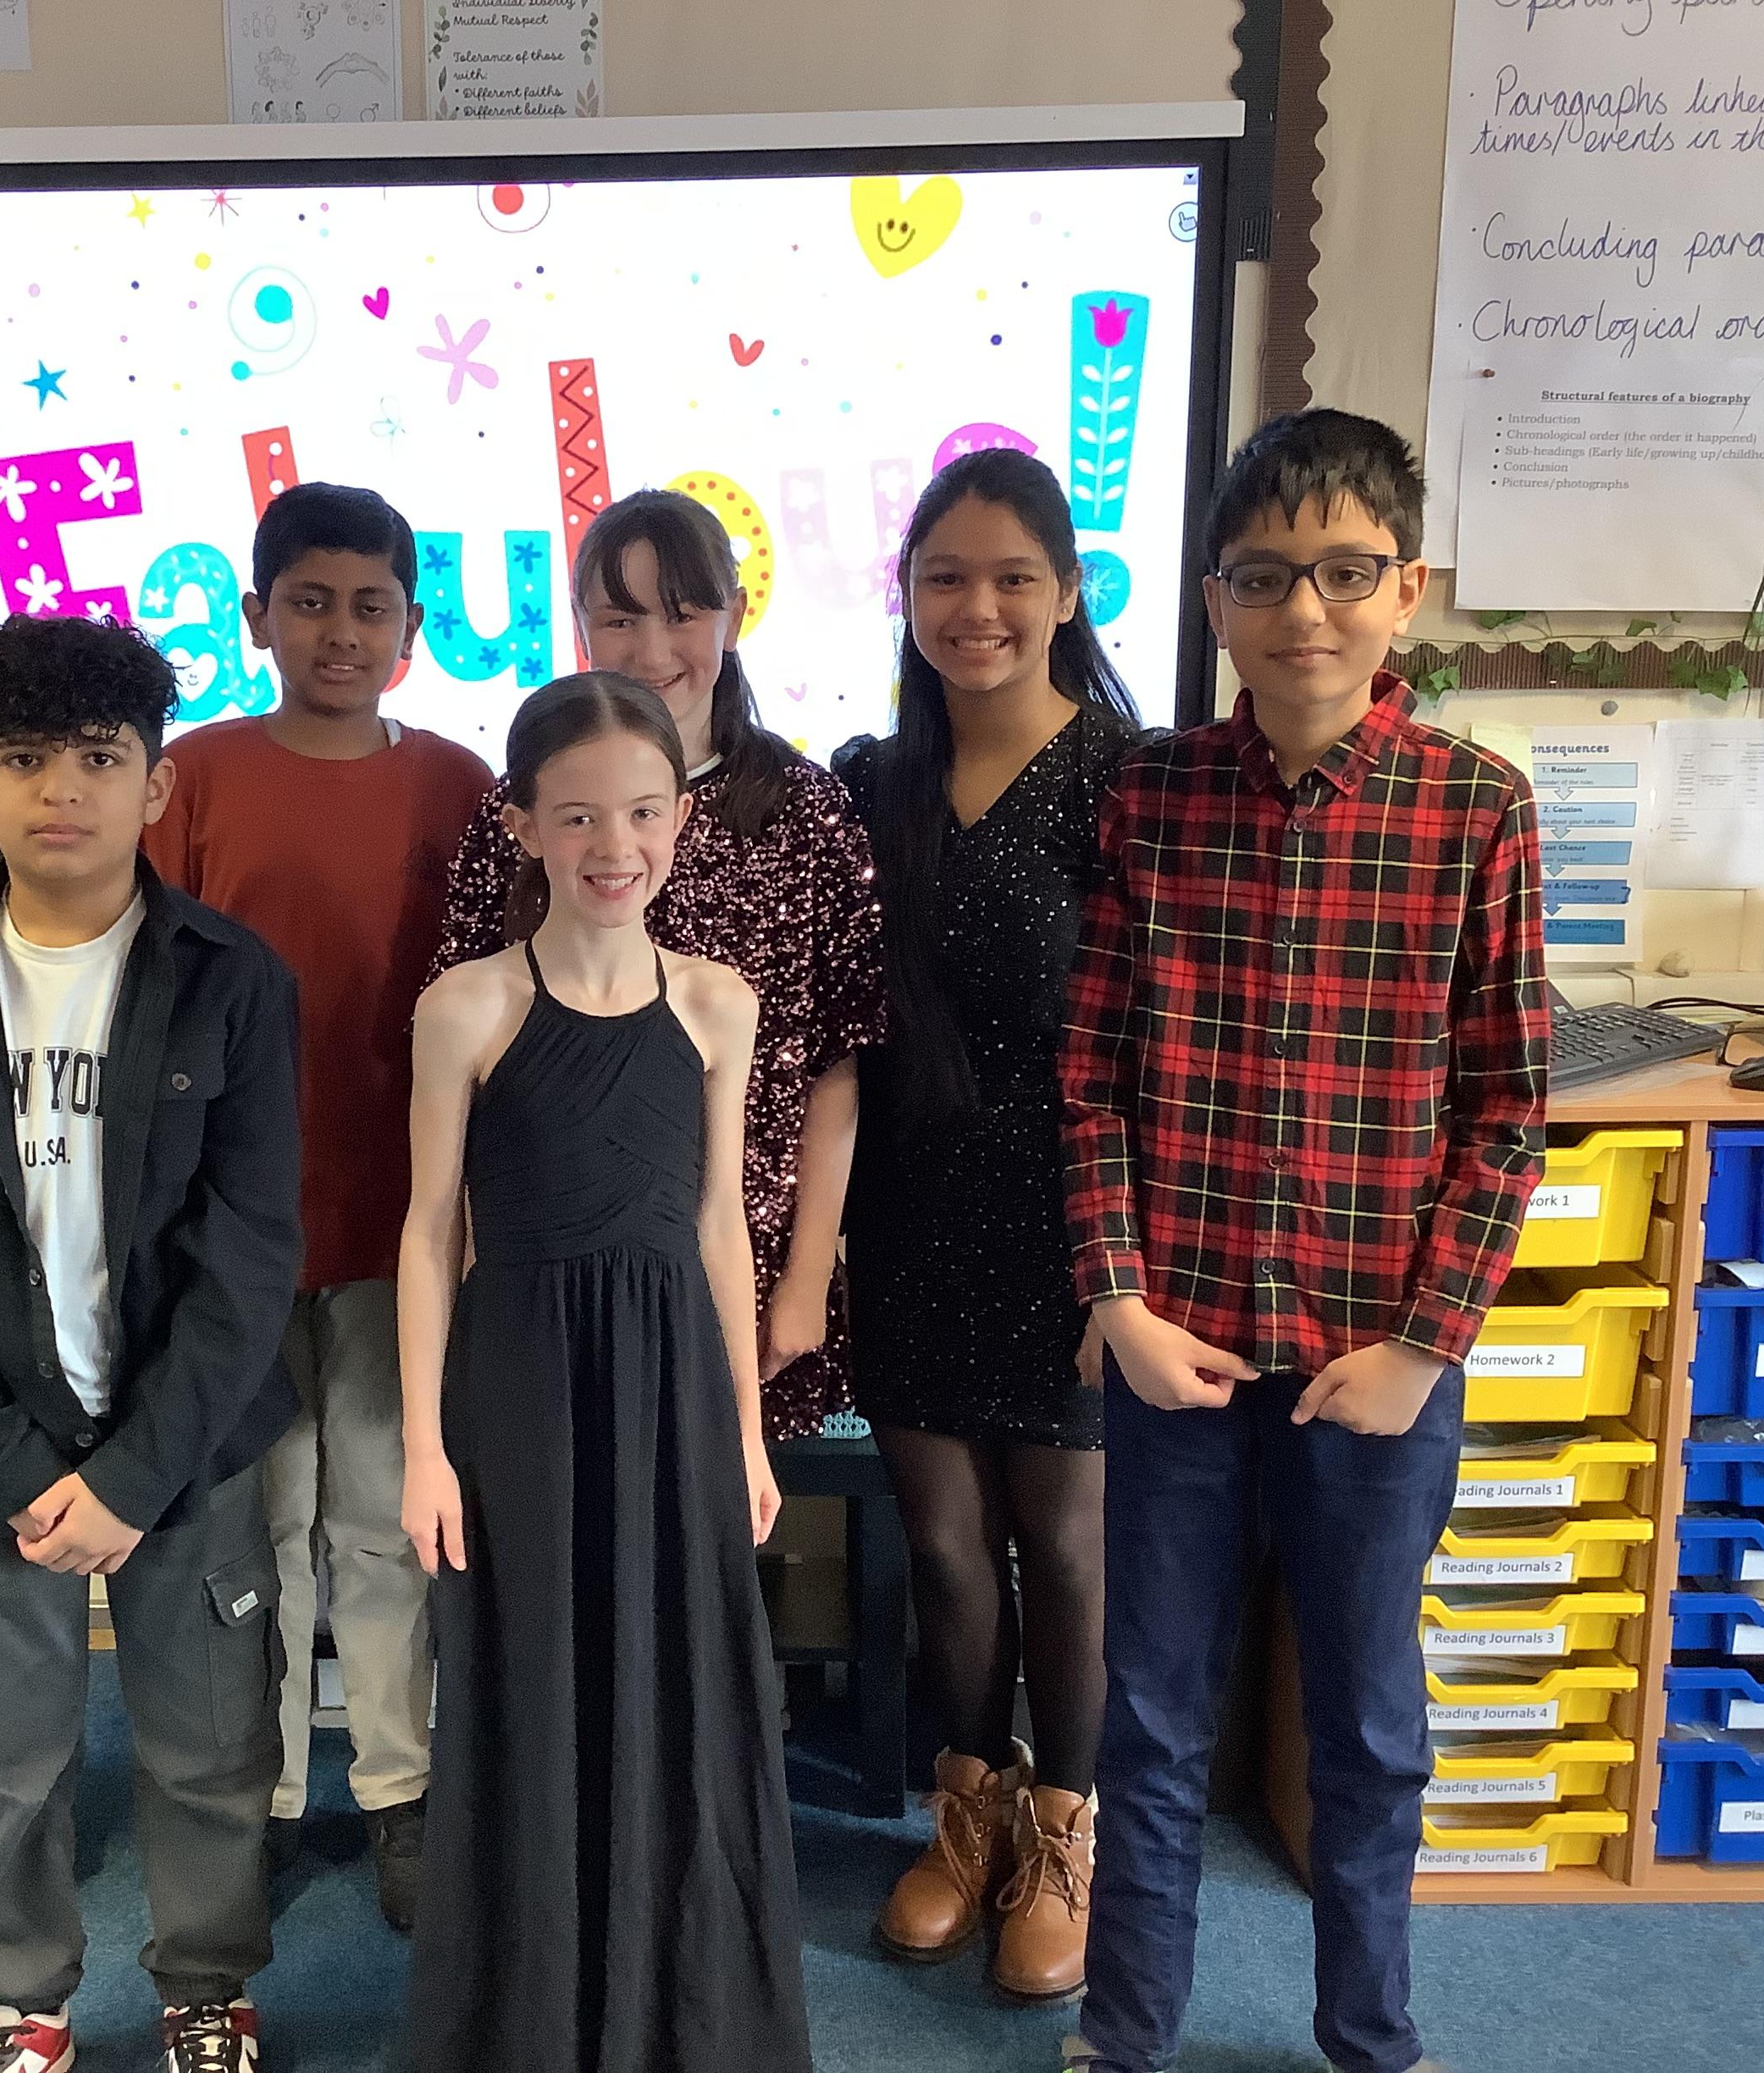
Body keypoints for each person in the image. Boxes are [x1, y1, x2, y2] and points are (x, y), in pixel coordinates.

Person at [1054, 410, 1548, 2073]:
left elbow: (1506, 1107)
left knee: (1367, 1729)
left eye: (1345, 571)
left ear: (1407, 587)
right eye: (1263, 577)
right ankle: (1124, 2034)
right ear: (1213, 600)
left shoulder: (1475, 807)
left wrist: (1425, 1345)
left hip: (1374, 1366)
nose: (1305, 611)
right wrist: (1115, 1297)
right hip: (1176, 1357)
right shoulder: (1150, 796)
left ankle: (1369, 2039)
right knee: (1153, 1721)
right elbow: (1091, 1078)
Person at [0, 615, 305, 2073]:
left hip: (187, 1443)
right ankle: (20, 1998)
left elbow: (251, 1257)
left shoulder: (234, 980)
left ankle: (207, 1986)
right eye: (28, 756)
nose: (64, 789)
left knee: (210, 1742)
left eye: (101, 758)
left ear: (154, 786)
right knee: (4, 1752)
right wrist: (15, 1468)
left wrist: (135, 1473)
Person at [400, 675, 811, 2072]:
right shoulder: (464, 1007)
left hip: (674, 1383)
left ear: (680, 818)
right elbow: (428, 1230)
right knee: (532, 1683)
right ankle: (531, 2022)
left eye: (640, 812)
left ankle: (675, 2015)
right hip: (516, 1384)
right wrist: (423, 1447)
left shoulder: (717, 1002)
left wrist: (745, 1434)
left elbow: (717, 1225)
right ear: (522, 824)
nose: (612, 845)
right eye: (575, 816)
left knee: (682, 1685)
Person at [143, 481, 492, 1929]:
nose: (339, 632)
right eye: (308, 602)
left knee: (386, 1513)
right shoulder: (191, 778)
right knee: (263, 1520)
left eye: (369, 607)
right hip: (232, 1228)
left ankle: (400, 1790)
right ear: (255, 617)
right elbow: (147, 991)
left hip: (402, 1221)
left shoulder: (459, 785)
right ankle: (270, 1792)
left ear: (411, 628)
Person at [833, 448, 1143, 2004]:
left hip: (1074, 1229)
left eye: (1013, 576)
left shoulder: (1129, 783)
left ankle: (1063, 1837)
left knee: (1065, 1551)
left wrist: (1129, 1271)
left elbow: (1164, 1040)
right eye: (944, 576)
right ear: (904, 594)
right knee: (947, 1549)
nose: (978, 607)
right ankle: (967, 1819)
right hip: (904, 1218)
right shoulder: (867, 780)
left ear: (1067, 592)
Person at [430, 489, 884, 1440]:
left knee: (711, 1507)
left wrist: (806, 1278)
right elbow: (469, 1080)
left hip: (740, 1262)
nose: (652, 648)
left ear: (734, 614)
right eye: (620, 618)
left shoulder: (805, 811)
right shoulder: (517, 813)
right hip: (546, 1276)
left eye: (683, 613)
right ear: (580, 624)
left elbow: (836, 1063)